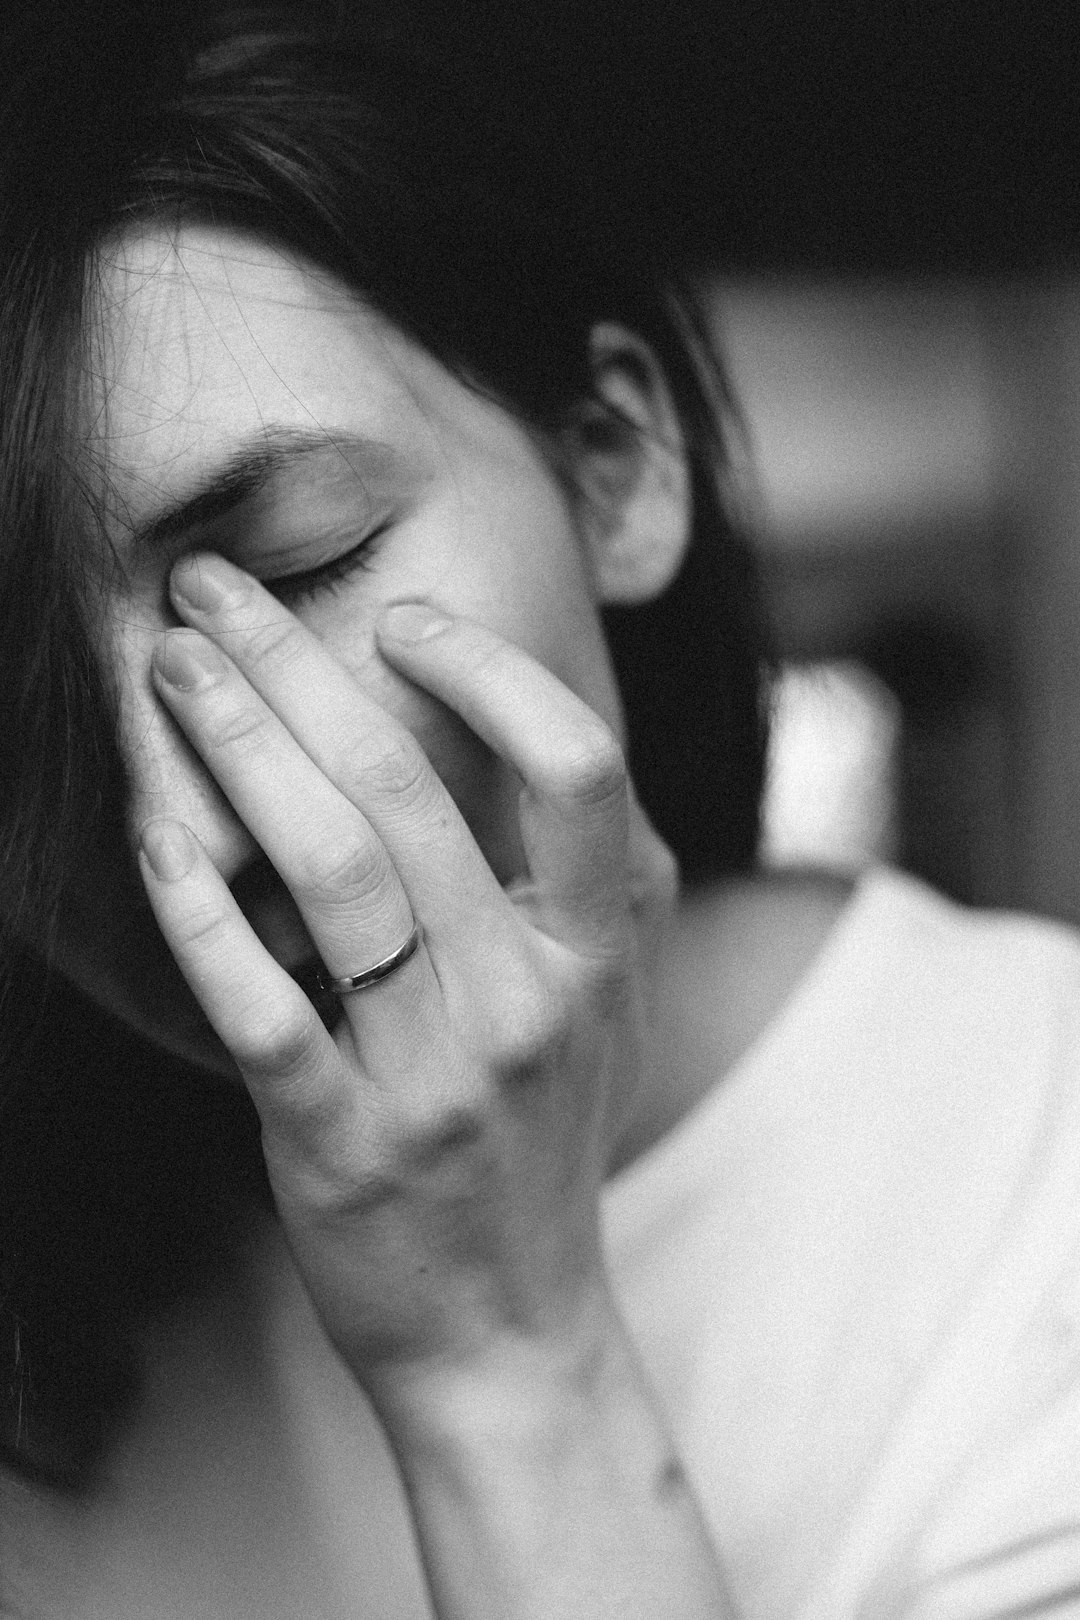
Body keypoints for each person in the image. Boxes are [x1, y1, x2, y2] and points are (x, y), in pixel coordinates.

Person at [3, 4, 1080, 1618]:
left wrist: (506, 1369)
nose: (188, 831)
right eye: (16, 706)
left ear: (617, 470)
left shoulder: (1028, 1175)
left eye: (292, 572)